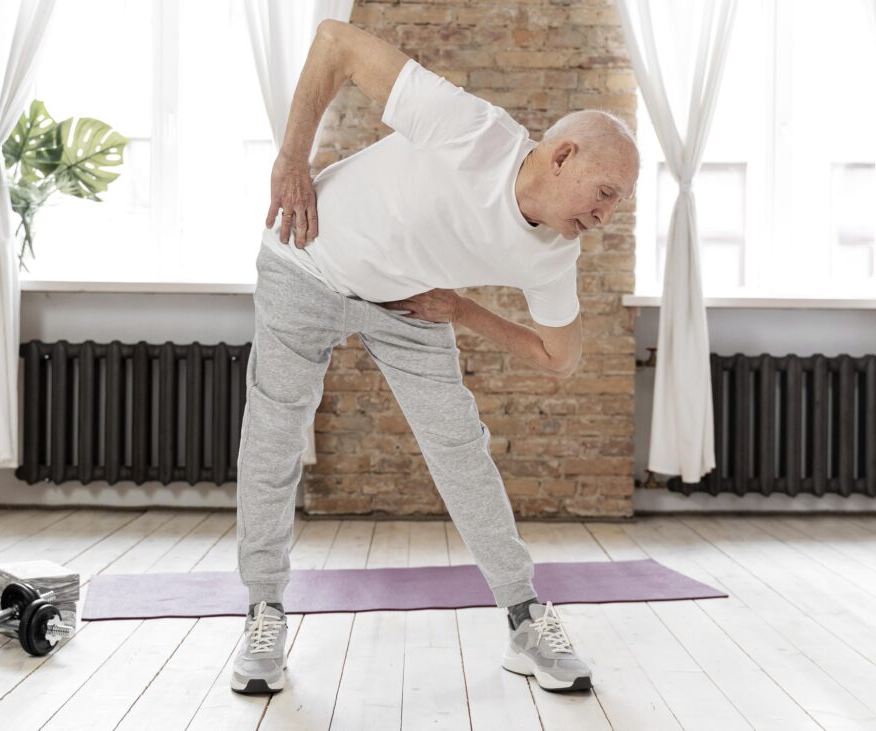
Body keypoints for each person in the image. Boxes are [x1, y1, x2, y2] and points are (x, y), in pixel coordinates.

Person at [230, 19, 639, 696]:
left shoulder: (555, 253)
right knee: (273, 435)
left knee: (461, 450)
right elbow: (336, 42)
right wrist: (293, 158)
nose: (605, 218)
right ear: (563, 156)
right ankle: (263, 609)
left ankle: (525, 616)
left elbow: (558, 357)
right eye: (604, 196)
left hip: (408, 304)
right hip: (306, 259)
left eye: (617, 208)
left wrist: (462, 311)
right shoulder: (470, 130)